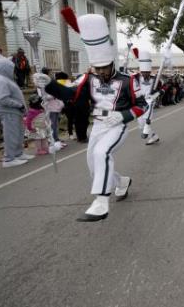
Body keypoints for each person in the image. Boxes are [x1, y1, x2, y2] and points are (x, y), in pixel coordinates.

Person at [33, 14, 148, 222]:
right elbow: (71, 95)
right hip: (98, 125)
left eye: (105, 66)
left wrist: (123, 116)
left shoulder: (128, 80)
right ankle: (121, 182)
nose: (102, 72)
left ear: (112, 62)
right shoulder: (89, 78)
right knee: (94, 164)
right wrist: (49, 83)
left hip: (117, 126)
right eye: (98, 67)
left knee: (102, 153)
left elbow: (142, 105)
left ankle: (101, 202)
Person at [0, 58, 35, 167]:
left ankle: (18, 154)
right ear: (5, 68)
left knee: (18, 133)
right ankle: (9, 159)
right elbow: (2, 98)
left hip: (14, 111)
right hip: (8, 110)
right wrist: (18, 105)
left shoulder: (4, 78)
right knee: (11, 134)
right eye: (11, 68)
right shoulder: (0, 80)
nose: (13, 70)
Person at [136, 50, 161, 145]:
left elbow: (162, 89)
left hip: (150, 100)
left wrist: (157, 93)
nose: (145, 74)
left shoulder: (155, 79)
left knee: (147, 119)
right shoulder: (137, 78)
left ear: (149, 71)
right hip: (140, 101)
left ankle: (147, 127)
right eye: (143, 72)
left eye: (147, 72)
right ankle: (154, 137)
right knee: (140, 124)